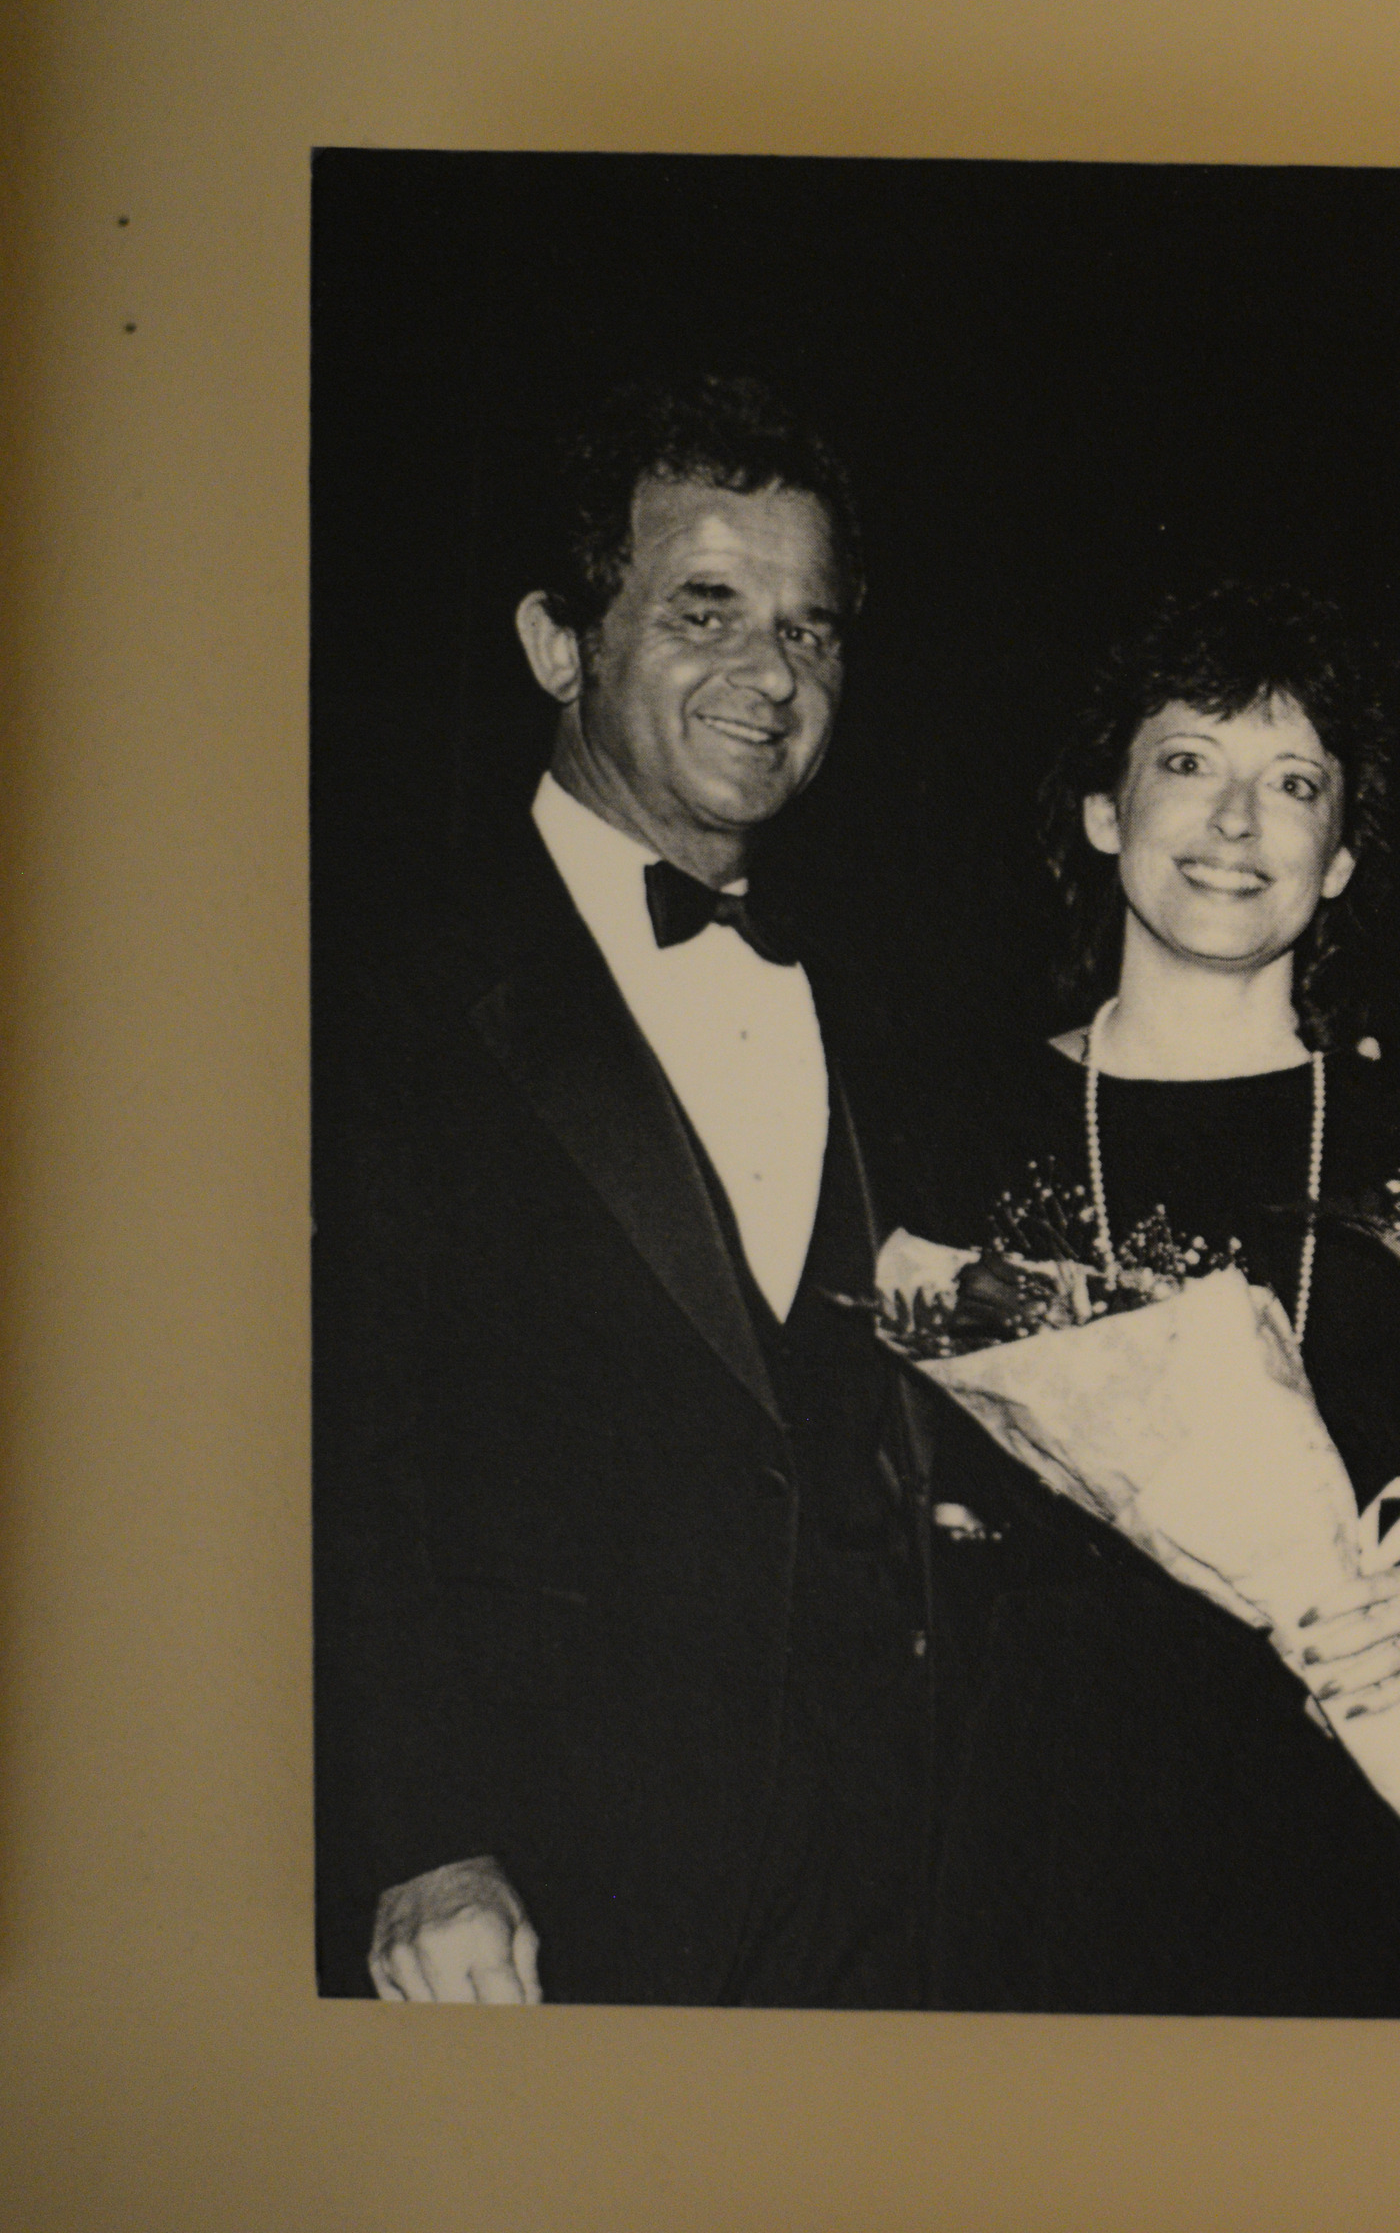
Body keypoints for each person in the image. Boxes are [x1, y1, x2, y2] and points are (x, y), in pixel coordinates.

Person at [314, 374, 940, 2004]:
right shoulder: (369, 990)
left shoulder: (879, 1000)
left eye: (810, 630)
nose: (769, 673)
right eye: (706, 609)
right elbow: (329, 1444)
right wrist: (423, 1836)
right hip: (531, 1895)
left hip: (867, 1895)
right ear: (555, 643)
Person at [914, 579, 1400, 2017]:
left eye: (1292, 785)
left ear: (1338, 858)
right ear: (1105, 812)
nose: (1233, 824)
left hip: (1341, 1782)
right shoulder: (955, 1126)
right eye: (1187, 765)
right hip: (1037, 1805)